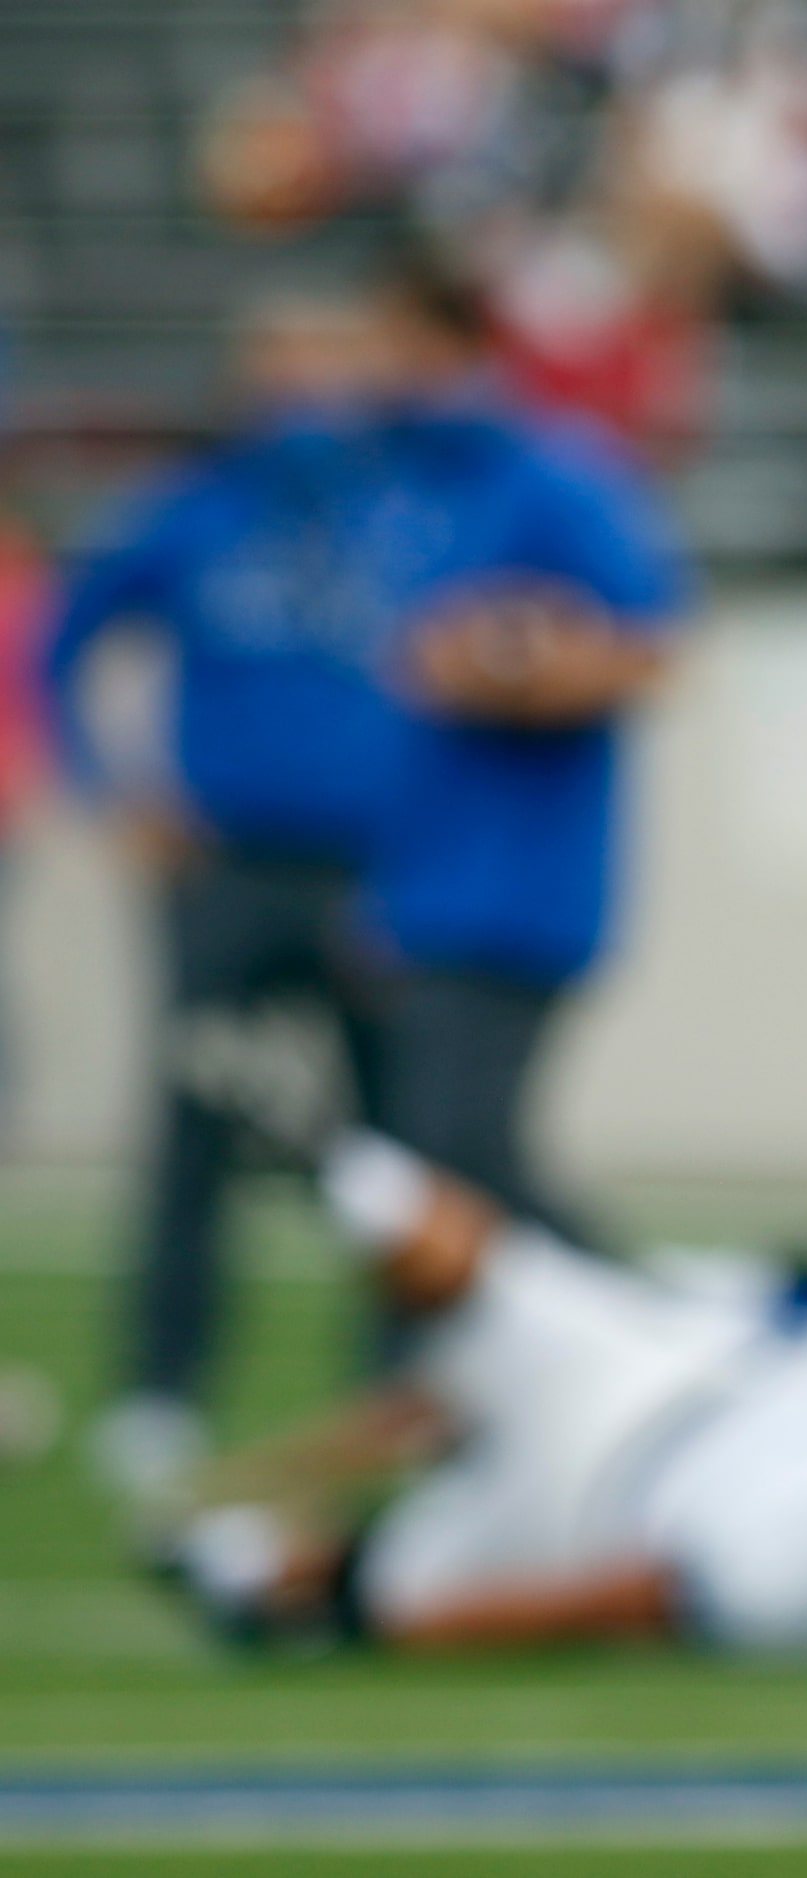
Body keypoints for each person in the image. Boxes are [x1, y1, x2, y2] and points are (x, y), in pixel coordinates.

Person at [167, 1131, 807, 1657]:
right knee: (478, 1279)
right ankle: (327, 1158)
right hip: (664, 1393)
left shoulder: (799, 1574)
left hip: (621, 1446)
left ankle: (324, 1155)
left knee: (393, 1574)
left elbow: (621, 1599)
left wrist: (387, 1613)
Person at [45, 293, 405, 1523]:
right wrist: (113, 790)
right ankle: (162, 1391)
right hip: (227, 873)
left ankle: (399, 1389)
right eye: (282, 362)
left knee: (394, 1143)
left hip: (374, 877)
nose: (306, 388)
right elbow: (63, 645)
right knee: (192, 1129)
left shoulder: (406, 512)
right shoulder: (192, 514)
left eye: (326, 358)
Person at [355, 253, 687, 1238]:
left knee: (463, 1157)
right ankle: (444, 1382)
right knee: (420, 1165)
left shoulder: (553, 473)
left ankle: (653, 1331)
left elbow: (648, 652)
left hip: (515, 888)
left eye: (394, 341)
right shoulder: (400, 478)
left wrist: (503, 668)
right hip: (421, 882)